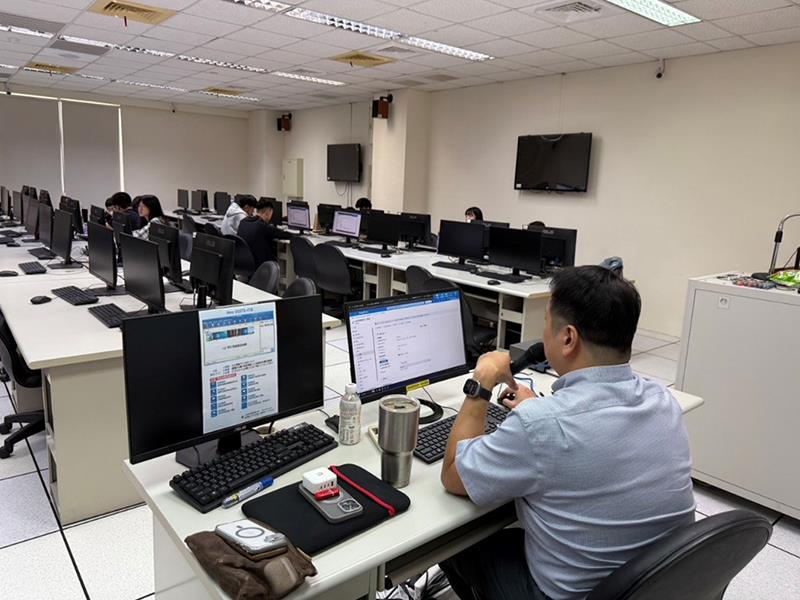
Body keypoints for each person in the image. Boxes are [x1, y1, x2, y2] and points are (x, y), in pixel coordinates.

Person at [439, 265, 694, 600]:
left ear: (568, 338)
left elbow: (454, 475)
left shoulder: (540, 425)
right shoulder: (662, 399)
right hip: (660, 584)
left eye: (546, 322)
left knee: (453, 541)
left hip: (570, 595)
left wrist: (482, 382)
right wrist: (539, 412)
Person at [237, 198, 292, 267]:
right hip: (259, 265)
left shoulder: (243, 222)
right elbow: (285, 235)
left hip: (242, 263)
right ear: (268, 212)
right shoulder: (263, 226)